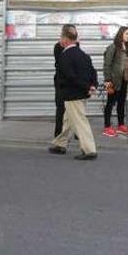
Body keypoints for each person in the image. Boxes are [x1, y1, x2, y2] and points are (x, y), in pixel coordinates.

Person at [48, 24, 99, 160]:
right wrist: (92, 85)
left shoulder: (65, 57)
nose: (59, 39)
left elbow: (70, 77)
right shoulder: (84, 55)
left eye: (61, 36)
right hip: (81, 94)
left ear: (65, 39)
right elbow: (92, 72)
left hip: (72, 94)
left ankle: (89, 150)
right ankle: (60, 144)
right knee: (68, 120)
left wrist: (86, 86)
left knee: (80, 122)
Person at [102, 26, 128, 137]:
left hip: (125, 80)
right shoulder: (113, 47)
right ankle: (107, 126)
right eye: (126, 34)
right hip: (114, 81)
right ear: (121, 34)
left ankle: (120, 125)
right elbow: (107, 64)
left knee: (121, 102)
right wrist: (107, 80)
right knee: (110, 103)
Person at [52, 40, 65, 137]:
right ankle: (58, 133)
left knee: (73, 111)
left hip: (68, 84)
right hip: (61, 83)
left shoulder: (75, 46)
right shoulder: (58, 47)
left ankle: (76, 133)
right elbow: (59, 62)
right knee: (60, 109)